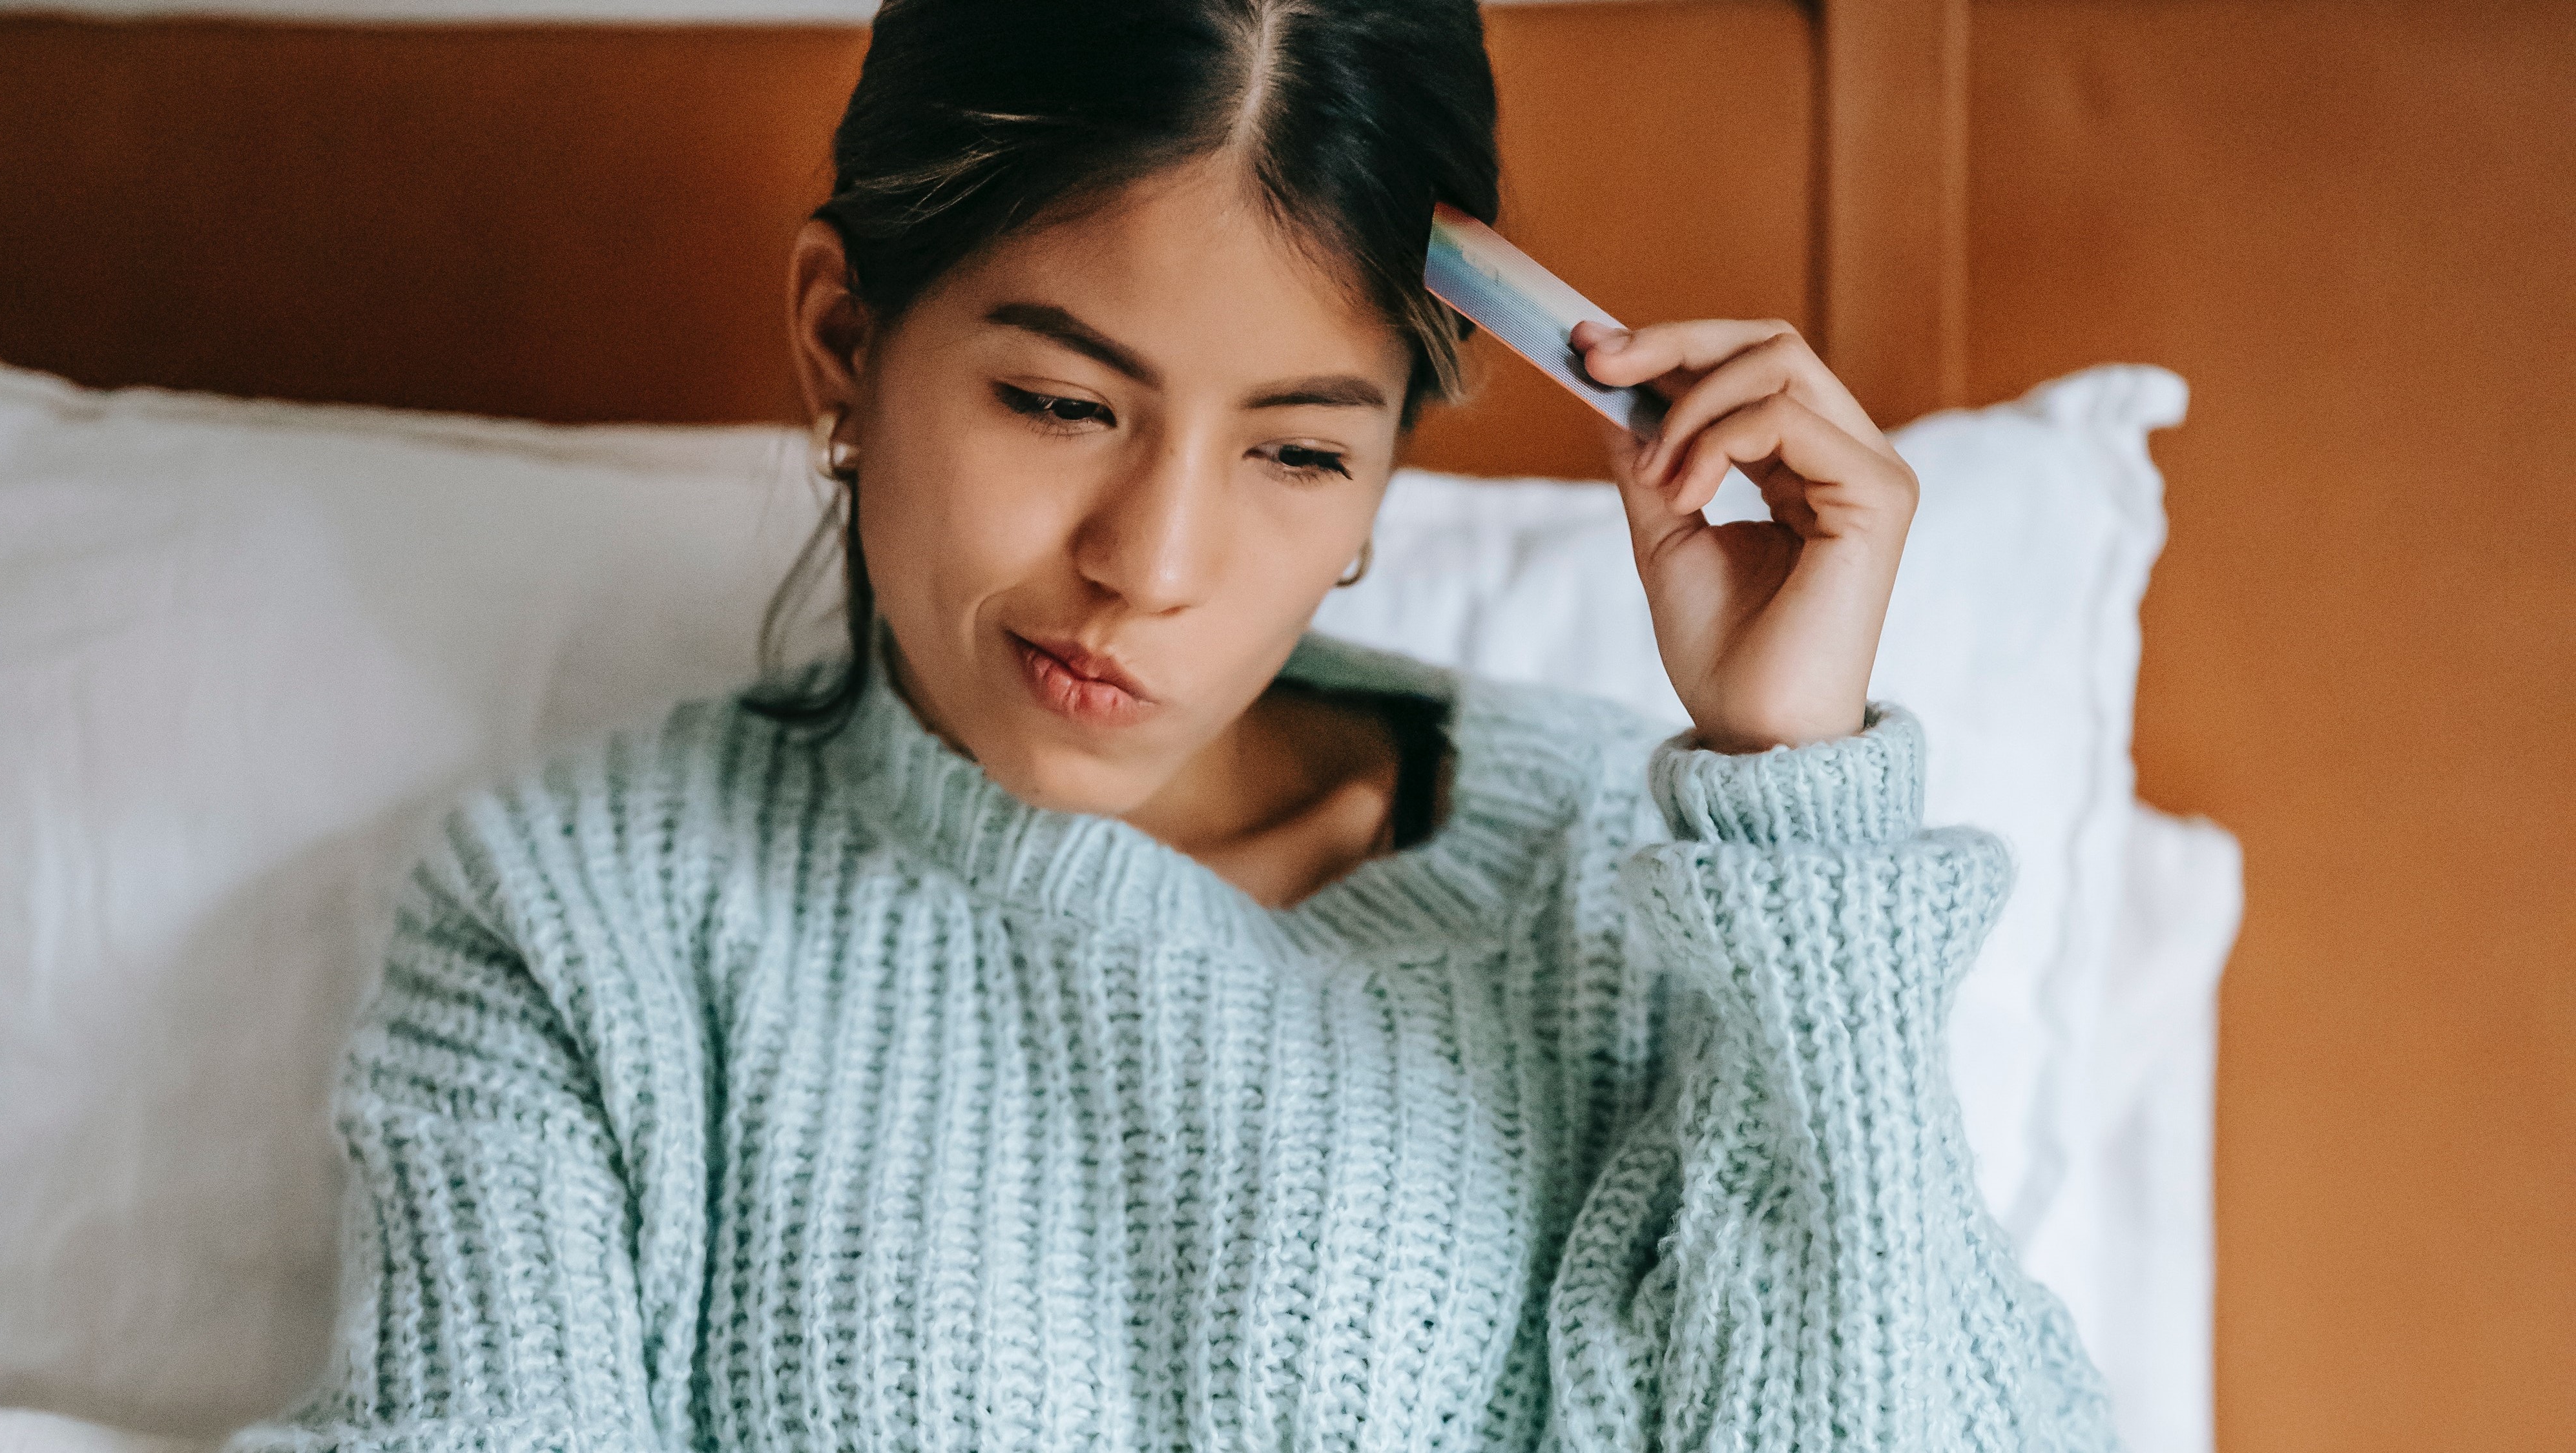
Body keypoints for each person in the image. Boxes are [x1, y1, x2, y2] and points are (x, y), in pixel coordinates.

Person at [226, 0, 2121, 1448]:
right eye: (1061, 403)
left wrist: (1796, 805)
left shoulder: (1625, 909)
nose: (1154, 561)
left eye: (1299, 449)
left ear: (1387, 476)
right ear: (846, 344)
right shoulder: (574, 931)